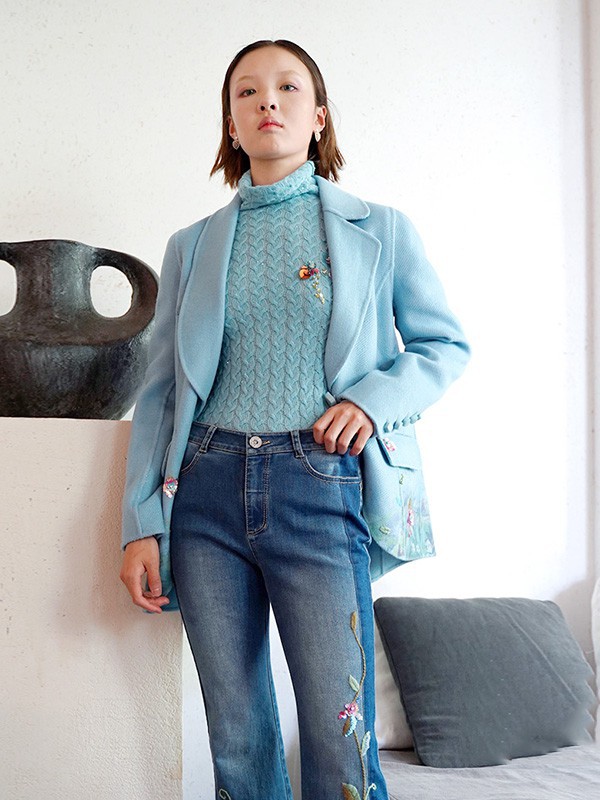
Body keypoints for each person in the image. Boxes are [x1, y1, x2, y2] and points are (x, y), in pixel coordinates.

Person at [119, 38, 470, 800]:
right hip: (205, 493)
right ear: (231, 125)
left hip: (320, 486)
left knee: (341, 738)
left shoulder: (382, 230)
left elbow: (445, 347)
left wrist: (369, 402)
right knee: (237, 741)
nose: (267, 102)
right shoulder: (190, 247)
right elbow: (161, 393)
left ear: (318, 117)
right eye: (247, 93)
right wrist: (140, 523)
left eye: (286, 88)